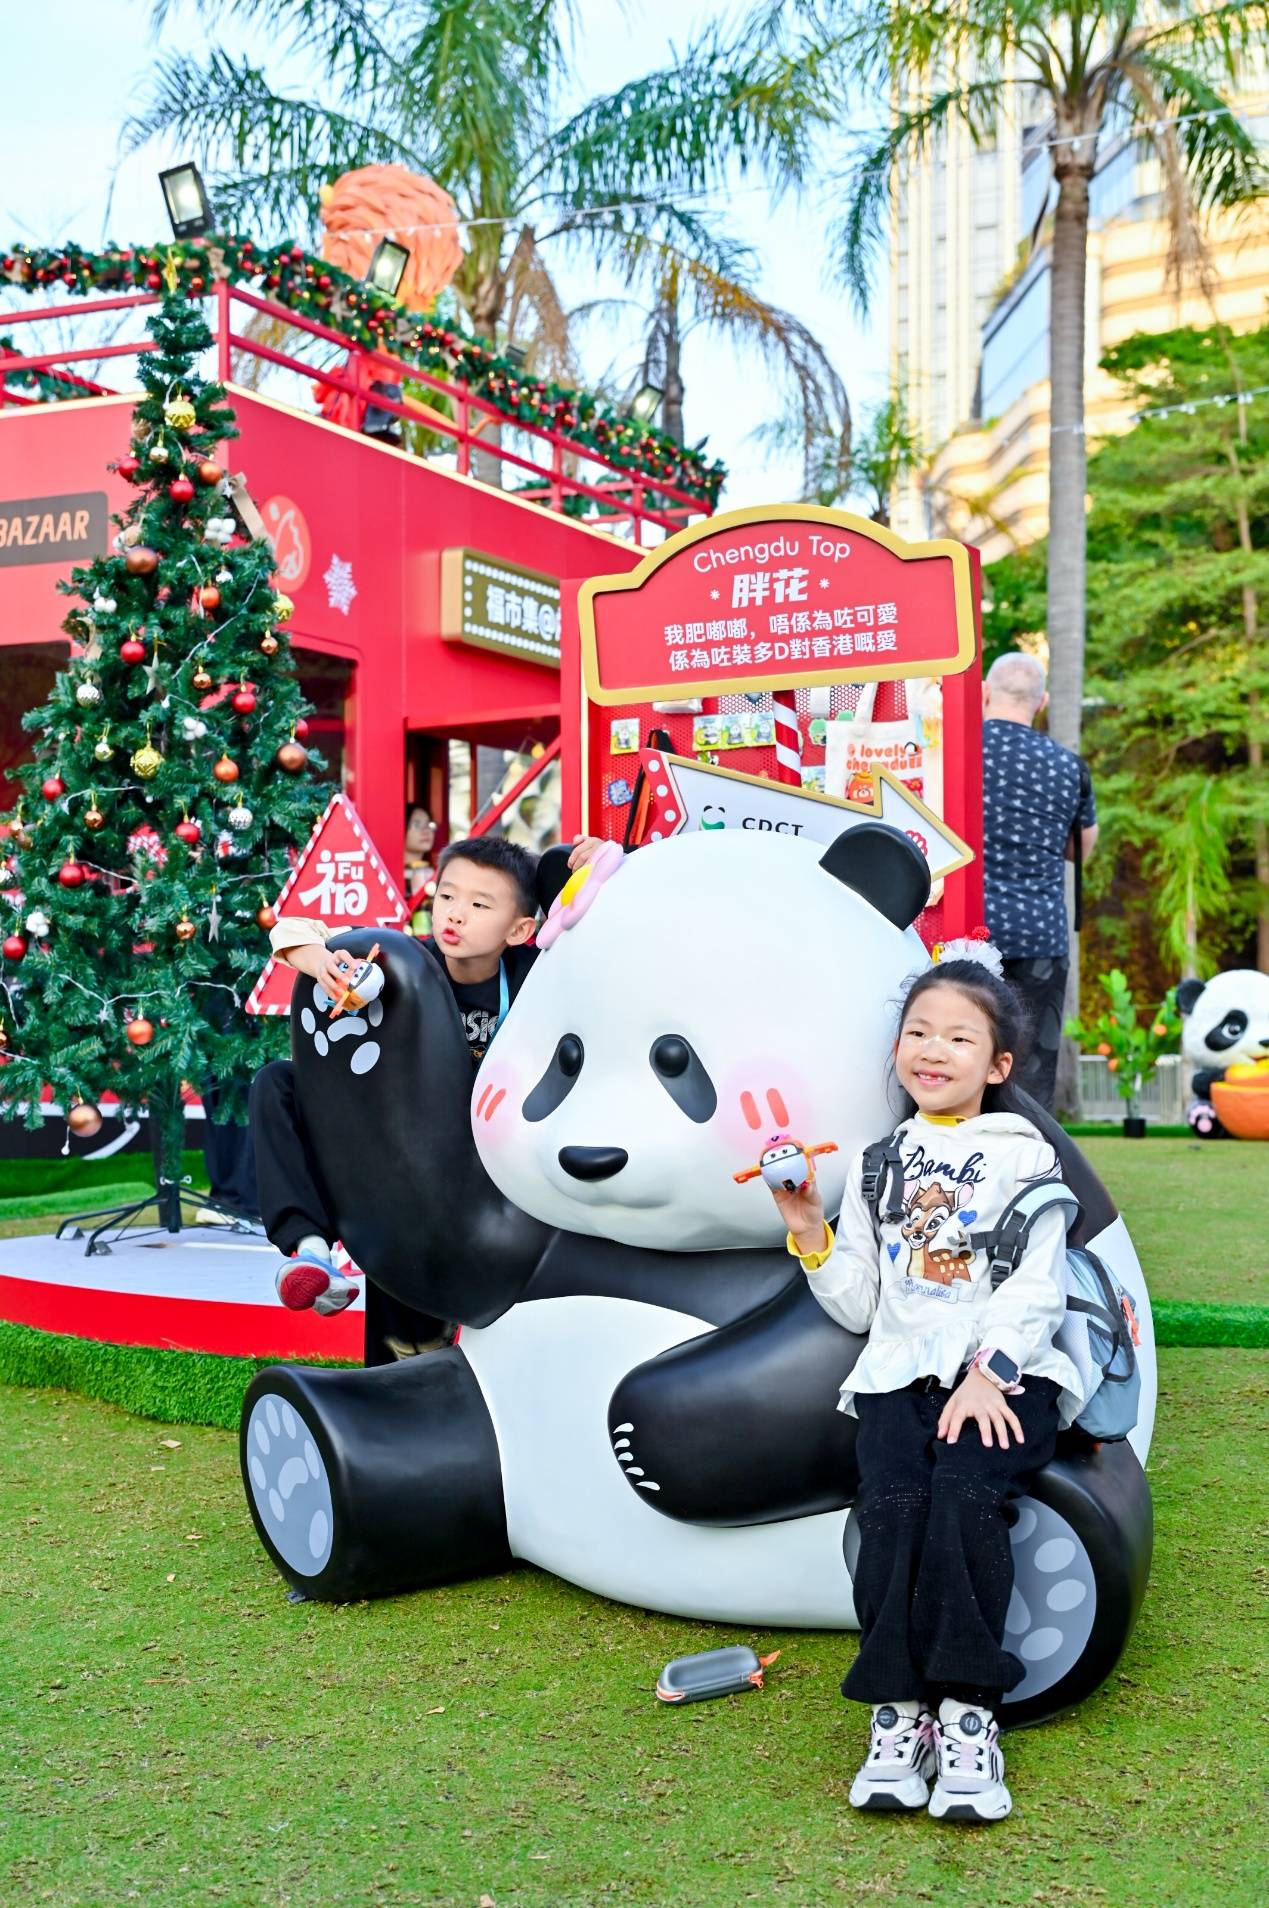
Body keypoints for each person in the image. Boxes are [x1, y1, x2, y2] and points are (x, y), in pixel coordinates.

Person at [769, 945, 1082, 1823]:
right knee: (895, 1505)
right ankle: (898, 1717)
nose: (932, 1051)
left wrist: (989, 1375)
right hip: (898, 1375)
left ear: (998, 1064)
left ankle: (968, 1715)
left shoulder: (1025, 1155)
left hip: (1002, 1376)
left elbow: (1035, 1281)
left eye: (957, 1038)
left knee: (962, 1499)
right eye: (917, 1033)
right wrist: (804, 1224)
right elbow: (861, 1303)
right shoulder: (876, 1162)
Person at [250, 831, 601, 1359]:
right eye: (446, 897)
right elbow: (292, 930)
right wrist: (314, 957)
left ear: (521, 928)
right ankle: (311, 1251)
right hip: (394, 1159)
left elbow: (604, 938)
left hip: (484, 1173)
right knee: (275, 1082)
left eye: (480, 904)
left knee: (439, 1349)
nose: (456, 915)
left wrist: (602, 865)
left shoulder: (535, 975)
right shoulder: (398, 966)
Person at [981, 652, 1098, 1109]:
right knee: (1030, 1064)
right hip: (1040, 933)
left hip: (967, 929)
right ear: (1042, 701)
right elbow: (1080, 849)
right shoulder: (1068, 766)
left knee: (958, 1047)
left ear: (986, 692)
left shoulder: (956, 752)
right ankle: (1029, 1162)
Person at [404, 803, 437, 935]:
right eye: (417, 825)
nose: (426, 831)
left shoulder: (434, 872)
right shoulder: (391, 875)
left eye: (429, 825)